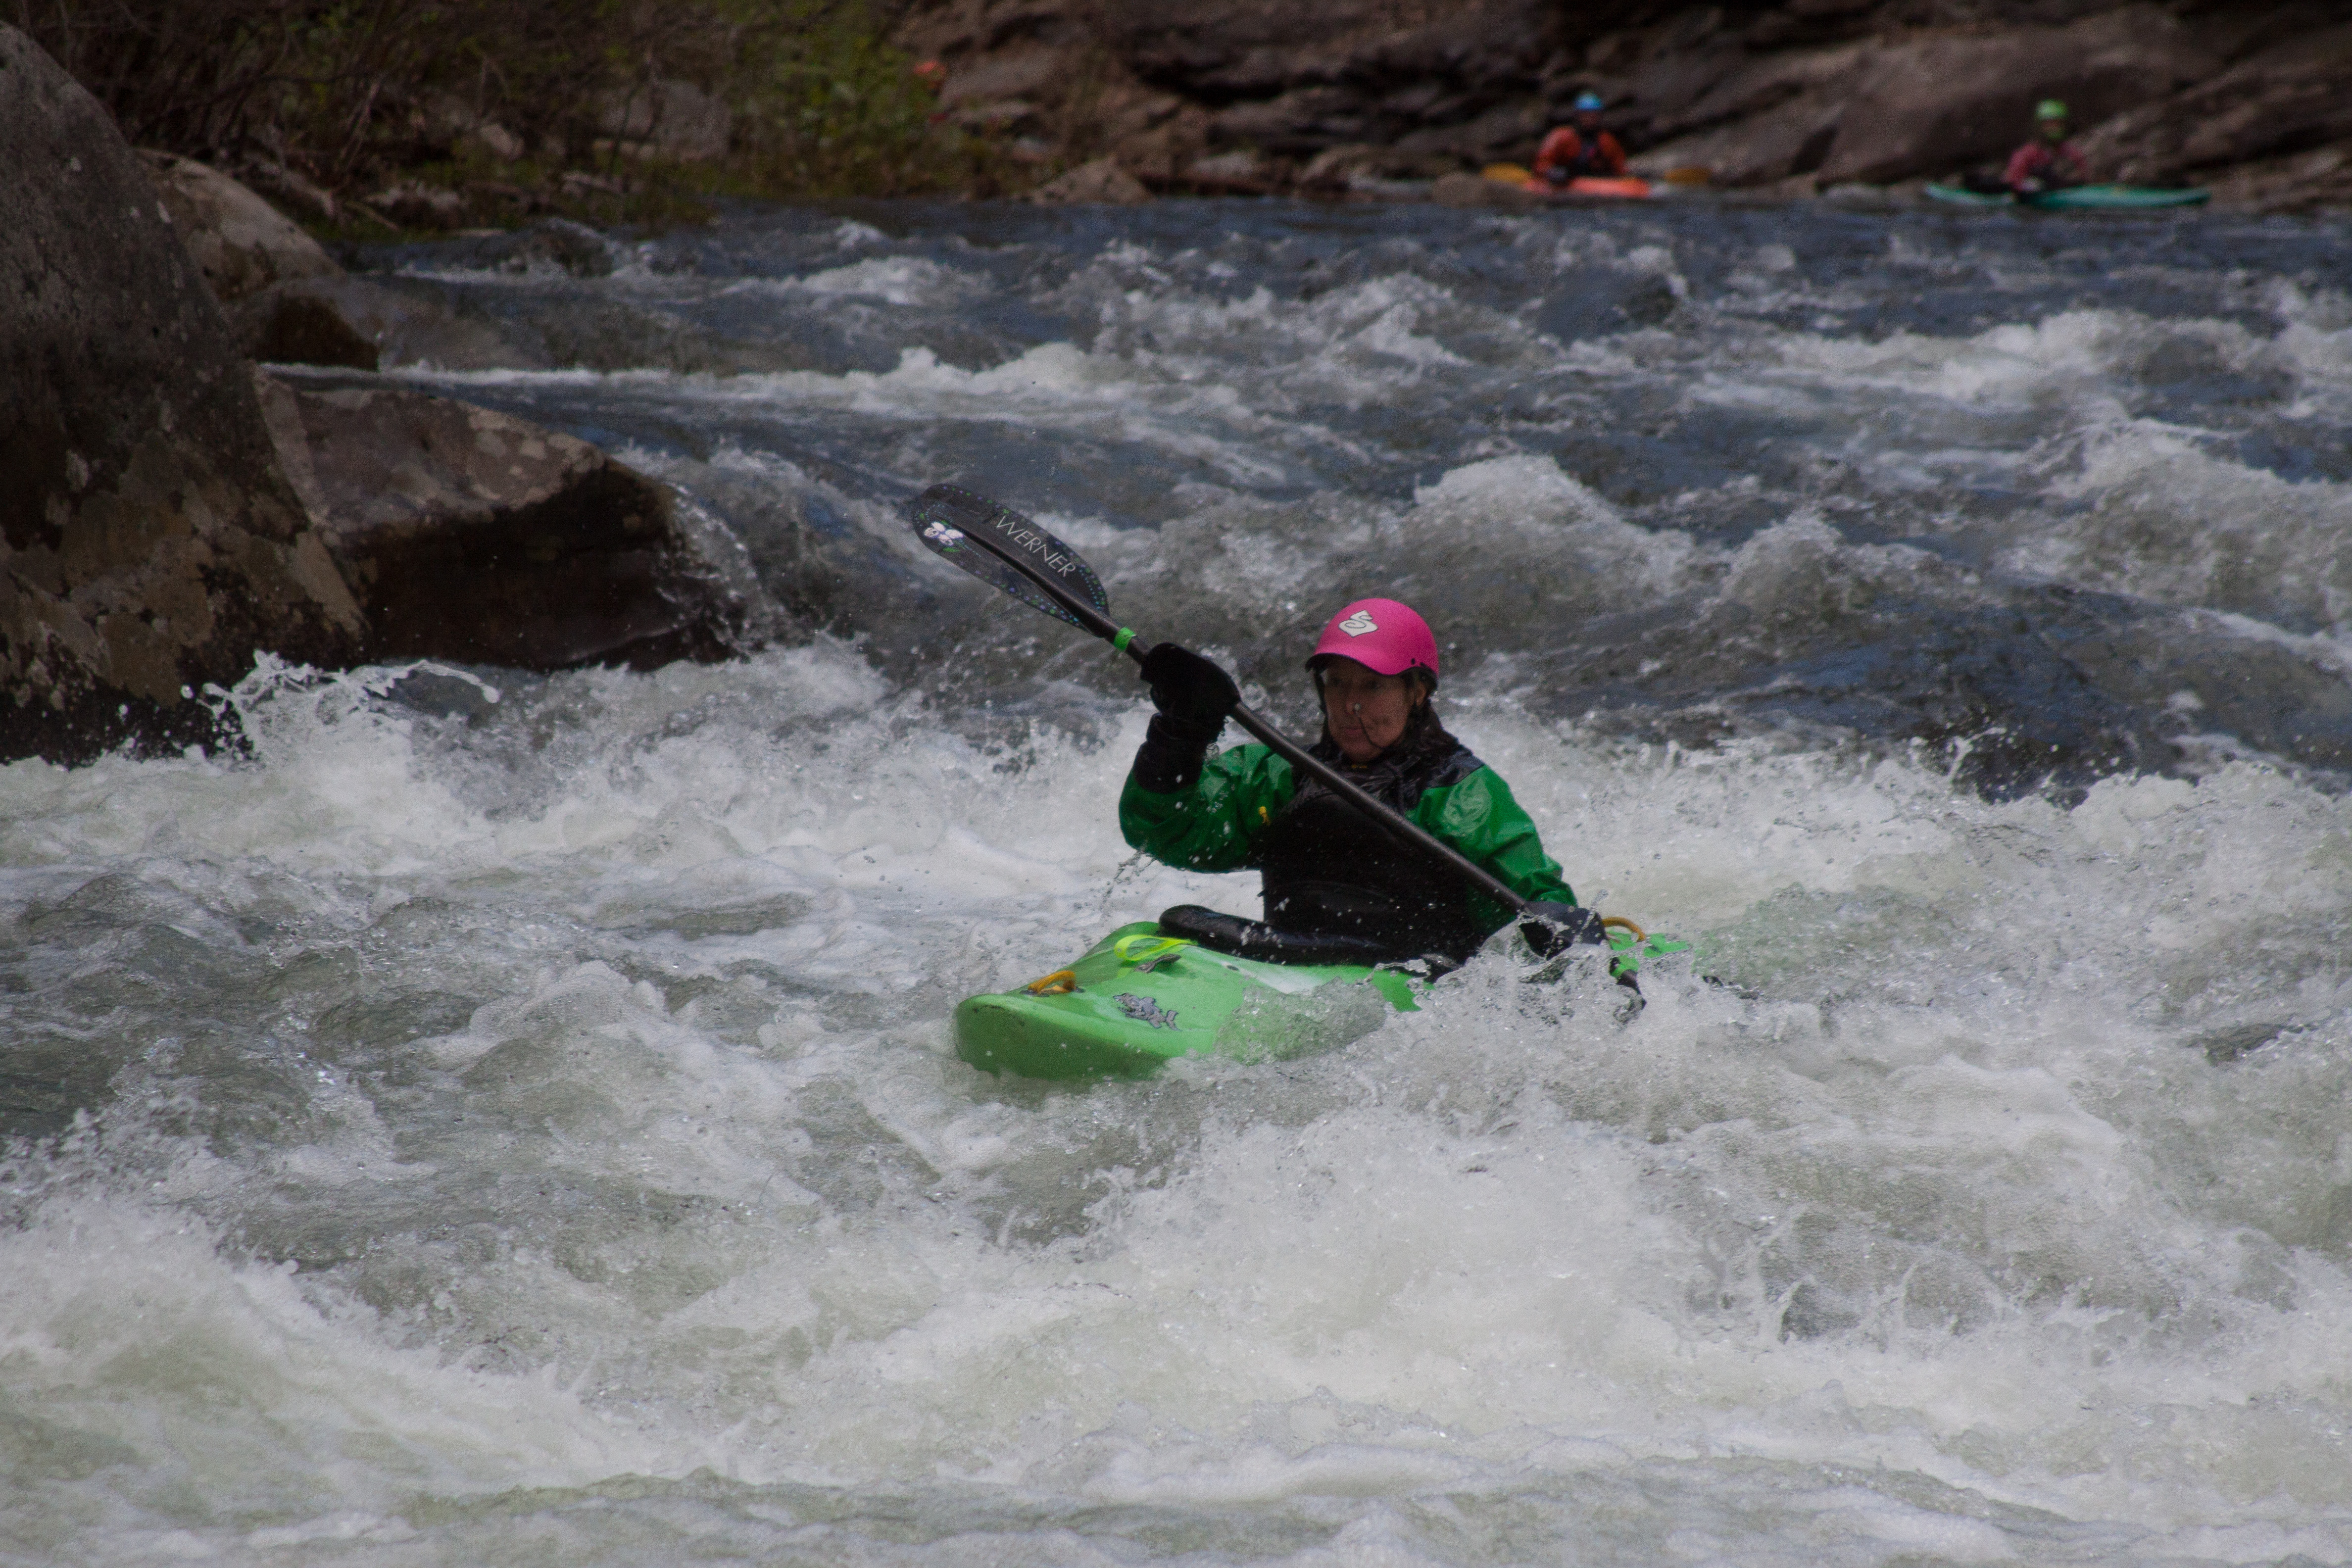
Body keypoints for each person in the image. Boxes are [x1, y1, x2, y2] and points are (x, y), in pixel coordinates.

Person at [1118, 598, 1599, 965]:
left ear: (1417, 692)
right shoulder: (1279, 775)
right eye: (1337, 682)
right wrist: (1180, 735)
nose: (1350, 704)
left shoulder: (1462, 795)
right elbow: (1163, 831)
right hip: (1288, 965)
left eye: (1373, 685)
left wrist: (1553, 928)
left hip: (1417, 990)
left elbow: (1538, 910)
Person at [1532, 92, 1628, 187]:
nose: (1590, 119)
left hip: (1594, 186)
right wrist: (1552, 172)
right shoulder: (1561, 137)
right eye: (1586, 115)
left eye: (1594, 115)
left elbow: (1620, 168)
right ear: (1577, 115)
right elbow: (1541, 165)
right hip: (1564, 184)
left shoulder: (1606, 140)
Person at [2005, 99, 2089, 194]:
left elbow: (2084, 178)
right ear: (2039, 127)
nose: (2054, 128)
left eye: (2058, 124)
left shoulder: (2071, 153)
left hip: (2066, 196)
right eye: (2049, 124)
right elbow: (2013, 182)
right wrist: (2030, 185)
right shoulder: (2027, 154)